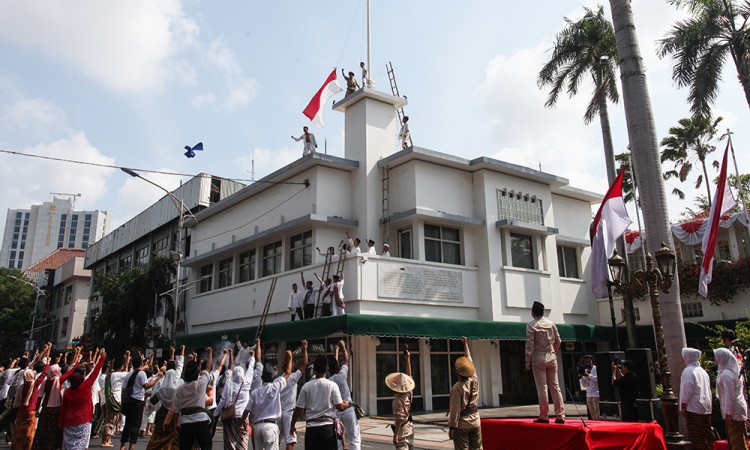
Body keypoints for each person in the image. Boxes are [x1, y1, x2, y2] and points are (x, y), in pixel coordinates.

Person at [290, 355, 349, 450]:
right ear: (327, 369)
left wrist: (292, 425)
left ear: (314, 370)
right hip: (328, 429)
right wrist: (347, 404)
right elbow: (340, 407)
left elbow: (298, 410)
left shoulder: (306, 387)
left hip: (311, 429)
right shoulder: (332, 385)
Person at [524, 301, 565, 424]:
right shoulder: (551, 324)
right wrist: (553, 351)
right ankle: (560, 415)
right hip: (551, 356)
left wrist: (527, 360)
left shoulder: (531, 325)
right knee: (555, 386)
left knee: (542, 387)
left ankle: (544, 415)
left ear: (533, 312)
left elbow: (530, 345)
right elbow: (558, 341)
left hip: (538, 357)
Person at [215, 342, 260, 449]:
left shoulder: (228, 384)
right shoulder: (246, 383)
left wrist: (215, 414)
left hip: (230, 417)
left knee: (229, 442)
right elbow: (250, 370)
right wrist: (253, 357)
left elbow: (222, 400)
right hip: (242, 418)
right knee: (242, 441)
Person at [60, 349, 107, 449]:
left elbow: (63, 408)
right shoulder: (85, 386)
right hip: (83, 420)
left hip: (69, 421)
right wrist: (102, 357)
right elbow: (95, 372)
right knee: (80, 445)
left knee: (68, 444)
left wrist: (61, 423)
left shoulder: (68, 391)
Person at [170, 347, 213, 450]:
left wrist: (176, 427)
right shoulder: (201, 383)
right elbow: (207, 368)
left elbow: (175, 411)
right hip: (201, 420)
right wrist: (210, 353)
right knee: (206, 446)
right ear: (198, 373)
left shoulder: (179, 389)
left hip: (185, 423)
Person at [247, 355, 293, 450]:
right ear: (273, 377)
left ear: (262, 378)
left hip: (257, 427)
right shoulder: (275, 387)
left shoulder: (255, 392)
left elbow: (247, 410)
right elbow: (288, 372)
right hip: (270, 427)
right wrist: (290, 357)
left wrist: (241, 425)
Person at [120, 353, 163, 450]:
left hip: (128, 400)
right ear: (141, 364)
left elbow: (124, 389)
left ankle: (122, 446)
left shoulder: (129, 374)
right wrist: (157, 379)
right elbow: (146, 386)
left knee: (128, 423)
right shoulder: (141, 373)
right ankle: (132, 446)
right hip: (137, 400)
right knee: (136, 424)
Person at [13, 343, 51, 450]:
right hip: (31, 410)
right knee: (29, 432)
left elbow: (32, 366)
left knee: (19, 430)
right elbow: (43, 373)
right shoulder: (34, 384)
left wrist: (44, 351)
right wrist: (47, 362)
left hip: (21, 410)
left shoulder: (23, 385)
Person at [145, 345, 185, 450]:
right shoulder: (178, 386)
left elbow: (153, 400)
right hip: (174, 414)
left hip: (162, 413)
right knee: (172, 439)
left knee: (158, 437)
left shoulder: (162, 387)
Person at [448, 337, 483, 450]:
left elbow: (455, 410)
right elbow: (469, 360)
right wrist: (465, 344)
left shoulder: (457, 388)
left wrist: (452, 427)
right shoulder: (474, 379)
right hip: (476, 420)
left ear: (458, 372)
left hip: (463, 423)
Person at [679, 348, 713, 450]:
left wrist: (683, 405)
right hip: (705, 407)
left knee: (697, 437)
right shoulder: (702, 371)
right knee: (706, 435)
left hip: (693, 408)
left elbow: (686, 390)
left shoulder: (688, 371)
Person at [715, 347, 748, 450]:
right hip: (735, 410)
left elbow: (730, 395)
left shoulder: (726, 374)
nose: (715, 359)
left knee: (737, 441)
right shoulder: (727, 372)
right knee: (737, 440)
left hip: (734, 411)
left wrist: (728, 413)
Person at [330, 340, 360, 450]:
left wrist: (336, 351)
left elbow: (334, 364)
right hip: (348, 409)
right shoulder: (342, 375)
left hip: (337, 412)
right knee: (354, 440)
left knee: (338, 440)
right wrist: (343, 347)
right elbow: (346, 360)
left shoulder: (329, 381)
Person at [279, 340, 308, 450]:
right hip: (288, 413)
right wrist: (305, 348)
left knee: (276, 441)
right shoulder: (292, 378)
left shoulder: (279, 379)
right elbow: (304, 364)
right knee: (290, 441)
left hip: (278, 413)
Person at [101, 352, 131, 448]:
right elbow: (129, 373)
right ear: (121, 366)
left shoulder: (111, 374)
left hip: (107, 399)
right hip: (115, 399)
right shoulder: (122, 374)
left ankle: (108, 439)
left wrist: (126, 360)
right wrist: (128, 360)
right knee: (110, 421)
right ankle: (104, 441)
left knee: (109, 421)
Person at [386, 349, 415, 449]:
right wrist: (408, 359)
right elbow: (409, 377)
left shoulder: (397, 401)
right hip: (410, 428)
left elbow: (399, 419)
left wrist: (395, 435)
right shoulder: (408, 393)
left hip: (402, 430)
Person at [578, 355, 600, 420]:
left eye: (589, 362)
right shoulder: (585, 370)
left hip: (596, 394)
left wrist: (588, 375)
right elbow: (584, 385)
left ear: (592, 361)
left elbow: (598, 379)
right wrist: (582, 376)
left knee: (597, 413)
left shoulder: (596, 369)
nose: (588, 363)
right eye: (586, 362)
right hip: (588, 394)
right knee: (592, 414)